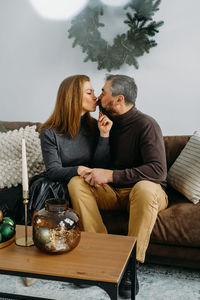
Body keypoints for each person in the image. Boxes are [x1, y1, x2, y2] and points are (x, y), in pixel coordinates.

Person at [68, 74, 168, 298]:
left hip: (146, 194)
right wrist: (104, 136)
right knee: (76, 182)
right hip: (114, 194)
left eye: (103, 92)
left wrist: (112, 176)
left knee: (145, 187)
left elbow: (158, 172)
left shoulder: (147, 125)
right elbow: (99, 168)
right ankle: (99, 255)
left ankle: (131, 267)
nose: (99, 96)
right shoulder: (103, 122)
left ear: (119, 99)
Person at [24, 74, 112, 287]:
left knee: (53, 188)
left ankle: (94, 260)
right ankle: (35, 257)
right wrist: (79, 169)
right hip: (60, 180)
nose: (96, 98)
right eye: (90, 93)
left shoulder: (95, 126)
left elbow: (101, 165)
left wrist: (103, 136)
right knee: (43, 186)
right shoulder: (50, 131)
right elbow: (53, 170)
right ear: (73, 97)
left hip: (87, 184)